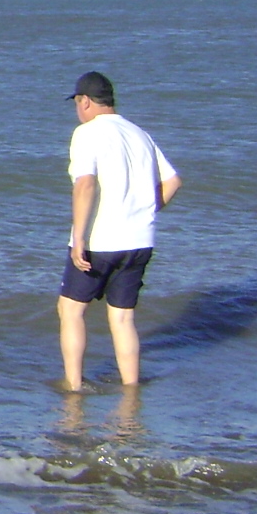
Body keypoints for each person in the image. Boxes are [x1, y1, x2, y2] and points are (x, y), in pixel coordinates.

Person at [58, 71, 181, 391]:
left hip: (101, 240)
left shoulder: (87, 133)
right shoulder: (140, 133)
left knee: (70, 310)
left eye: (77, 102)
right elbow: (172, 181)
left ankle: (74, 386)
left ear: (85, 101)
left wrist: (79, 239)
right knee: (123, 319)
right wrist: (144, 211)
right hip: (139, 239)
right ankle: (131, 389)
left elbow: (85, 184)